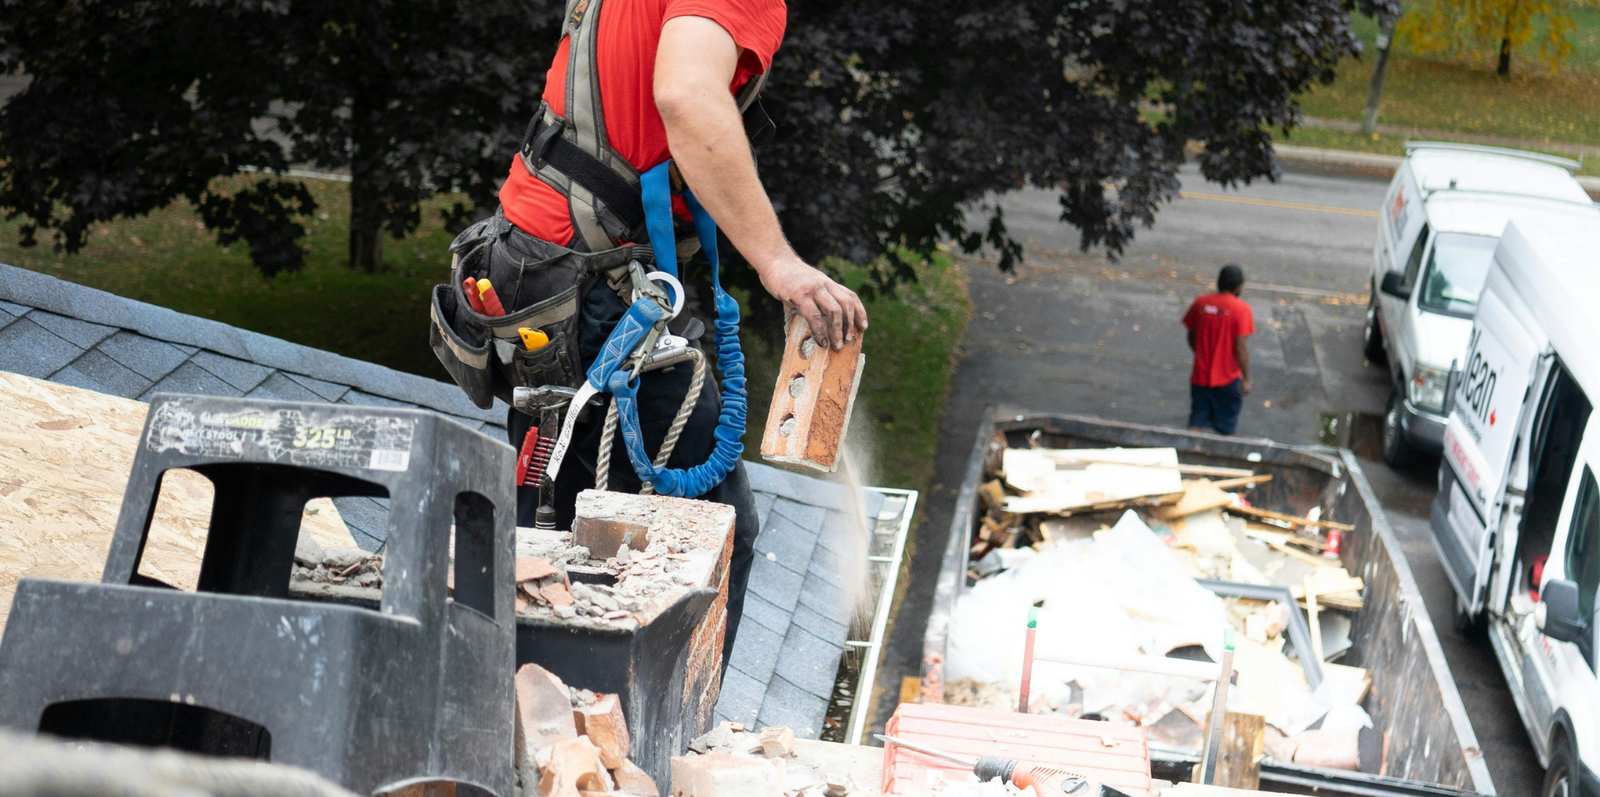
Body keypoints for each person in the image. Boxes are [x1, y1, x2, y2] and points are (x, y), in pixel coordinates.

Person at [453, 0, 868, 666]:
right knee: (697, 543)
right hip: (589, 286)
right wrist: (778, 262)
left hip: (535, 268)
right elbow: (686, 95)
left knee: (552, 522)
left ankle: (535, 705)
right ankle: (621, 729)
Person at [1182, 264, 1254, 435]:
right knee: (1227, 428)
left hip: (1200, 376)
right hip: (1228, 380)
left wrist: (1201, 353)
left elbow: (1191, 335)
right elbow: (1240, 348)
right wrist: (1246, 378)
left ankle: (1188, 449)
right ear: (1238, 287)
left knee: (1196, 421)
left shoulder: (1201, 303)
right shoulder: (1242, 310)